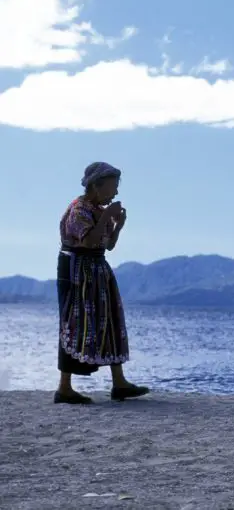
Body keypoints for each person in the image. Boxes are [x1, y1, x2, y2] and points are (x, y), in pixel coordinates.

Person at [54, 162, 149, 404]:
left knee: (110, 319)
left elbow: (107, 244)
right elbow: (87, 242)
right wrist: (107, 215)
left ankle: (119, 382)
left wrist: (118, 226)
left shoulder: (97, 209)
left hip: (97, 268)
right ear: (97, 186)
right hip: (77, 269)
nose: (115, 192)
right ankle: (64, 387)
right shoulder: (79, 210)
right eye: (112, 187)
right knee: (75, 322)